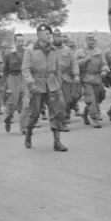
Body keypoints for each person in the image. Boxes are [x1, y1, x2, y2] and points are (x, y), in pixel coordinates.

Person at [22, 24, 68, 152]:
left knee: (56, 112)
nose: (49, 36)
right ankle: (29, 132)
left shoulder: (53, 49)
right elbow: (25, 69)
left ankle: (57, 142)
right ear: (39, 35)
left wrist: (58, 84)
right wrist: (31, 84)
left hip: (51, 84)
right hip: (37, 85)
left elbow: (57, 69)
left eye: (50, 34)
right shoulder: (30, 50)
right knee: (35, 113)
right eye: (47, 34)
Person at [77, 33, 109, 128]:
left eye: (93, 40)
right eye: (90, 40)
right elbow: (75, 65)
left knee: (100, 96)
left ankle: (86, 113)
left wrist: (104, 70)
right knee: (91, 99)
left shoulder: (98, 52)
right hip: (86, 78)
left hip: (97, 78)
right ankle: (95, 118)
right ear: (86, 41)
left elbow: (104, 63)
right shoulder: (80, 52)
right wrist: (85, 60)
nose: (92, 42)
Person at [53, 29, 80, 131]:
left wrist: (76, 75)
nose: (57, 38)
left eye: (59, 36)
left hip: (66, 78)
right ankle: (61, 122)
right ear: (52, 37)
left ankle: (63, 116)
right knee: (59, 102)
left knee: (69, 100)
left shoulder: (67, 50)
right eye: (55, 36)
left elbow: (74, 63)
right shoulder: (50, 49)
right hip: (53, 78)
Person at [3, 34, 29, 134]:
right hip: (12, 78)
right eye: (19, 41)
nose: (21, 43)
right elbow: (5, 70)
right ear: (15, 42)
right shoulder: (9, 54)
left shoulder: (27, 52)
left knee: (25, 103)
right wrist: (4, 83)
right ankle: (8, 118)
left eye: (22, 41)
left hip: (24, 77)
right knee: (13, 102)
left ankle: (24, 127)